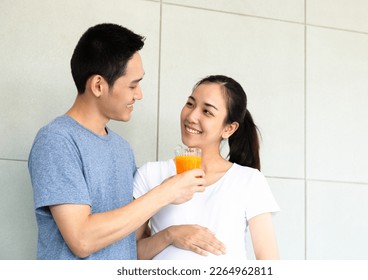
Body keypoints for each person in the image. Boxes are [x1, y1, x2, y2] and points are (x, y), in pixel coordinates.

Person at [27, 23, 222, 260]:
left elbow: (131, 241)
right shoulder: (57, 141)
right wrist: (164, 193)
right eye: (133, 84)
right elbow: (82, 239)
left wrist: (169, 234)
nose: (139, 94)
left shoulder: (121, 148)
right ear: (98, 85)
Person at [134, 75, 280, 260]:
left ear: (229, 129)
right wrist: (169, 235)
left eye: (207, 111)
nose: (192, 116)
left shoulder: (249, 181)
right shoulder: (151, 174)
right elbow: (130, 255)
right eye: (190, 104)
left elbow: (269, 263)